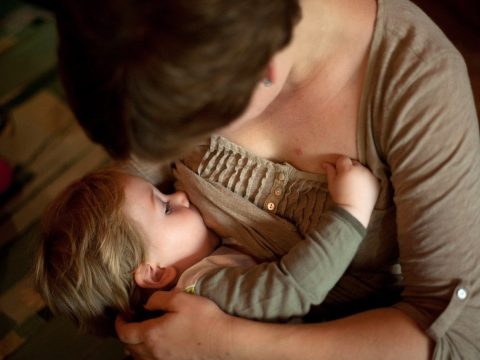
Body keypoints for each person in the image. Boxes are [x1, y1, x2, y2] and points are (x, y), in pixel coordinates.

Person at [50, 0, 480, 359]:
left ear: (264, 67)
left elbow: (458, 340)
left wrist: (227, 343)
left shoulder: (417, 86)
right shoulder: (151, 52)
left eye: (187, 132)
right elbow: (115, 217)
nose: (178, 193)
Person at [34, 158, 379, 336]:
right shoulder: (203, 290)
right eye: (166, 207)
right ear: (154, 273)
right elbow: (290, 288)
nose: (180, 195)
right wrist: (350, 212)